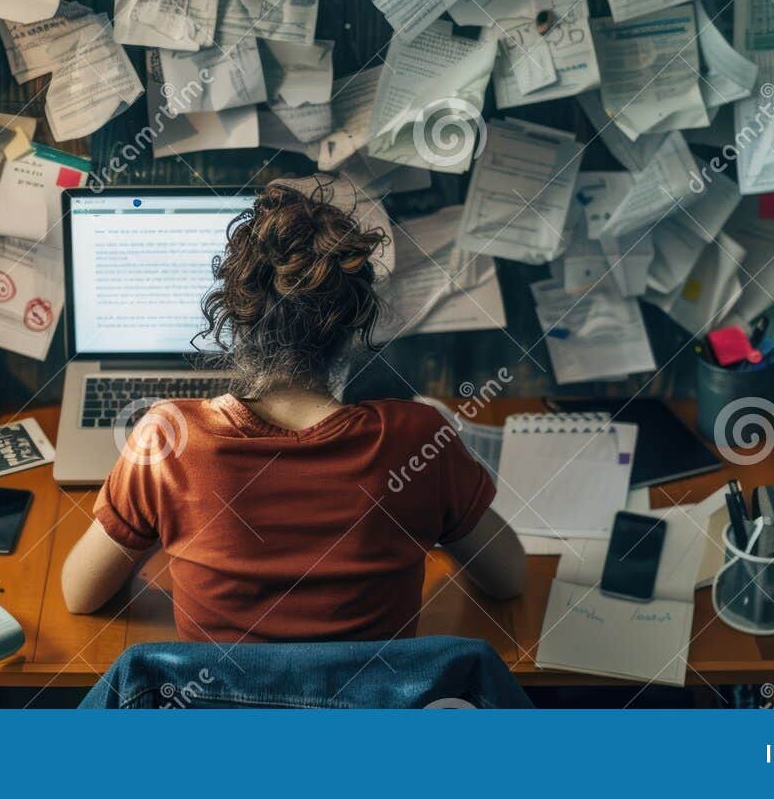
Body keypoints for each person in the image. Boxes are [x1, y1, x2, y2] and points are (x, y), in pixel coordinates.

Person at [62, 180, 525, 642]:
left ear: (235, 315)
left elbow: (79, 596)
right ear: (354, 321)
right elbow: (508, 580)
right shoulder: (419, 442)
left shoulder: (168, 441)